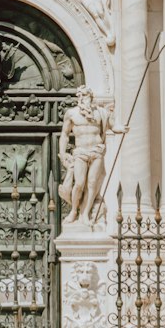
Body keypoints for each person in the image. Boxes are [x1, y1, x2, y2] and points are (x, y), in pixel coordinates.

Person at [58, 86, 112, 229]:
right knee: (80, 183)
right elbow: (64, 134)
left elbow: (112, 126)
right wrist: (63, 153)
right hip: (80, 151)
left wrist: (121, 128)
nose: (82, 98)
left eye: (85, 95)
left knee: (92, 183)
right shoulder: (72, 114)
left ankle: (86, 213)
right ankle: (74, 211)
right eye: (80, 95)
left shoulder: (100, 113)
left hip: (96, 151)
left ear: (91, 96)